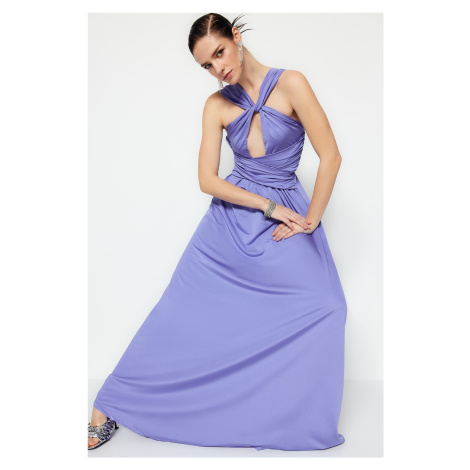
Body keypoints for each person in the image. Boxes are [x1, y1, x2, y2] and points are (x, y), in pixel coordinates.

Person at [88, 12, 347, 452]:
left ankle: (279, 413)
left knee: (326, 307)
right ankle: (108, 403)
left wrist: (310, 220)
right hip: (233, 219)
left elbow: (331, 156)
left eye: (219, 53)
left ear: (237, 37)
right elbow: (207, 180)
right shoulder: (216, 105)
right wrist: (268, 206)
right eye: (206, 65)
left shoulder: (293, 83)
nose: (217, 68)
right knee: (179, 312)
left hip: (288, 216)